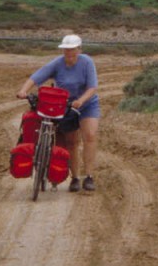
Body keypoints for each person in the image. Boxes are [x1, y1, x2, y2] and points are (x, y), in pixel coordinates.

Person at [17, 34, 100, 192]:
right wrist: (23, 90)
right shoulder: (57, 63)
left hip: (87, 104)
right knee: (71, 142)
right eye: (66, 50)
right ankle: (75, 178)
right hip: (66, 105)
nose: (69, 53)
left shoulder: (87, 62)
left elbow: (92, 87)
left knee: (89, 135)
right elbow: (36, 77)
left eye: (72, 49)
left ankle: (89, 176)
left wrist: (81, 101)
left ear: (79, 49)